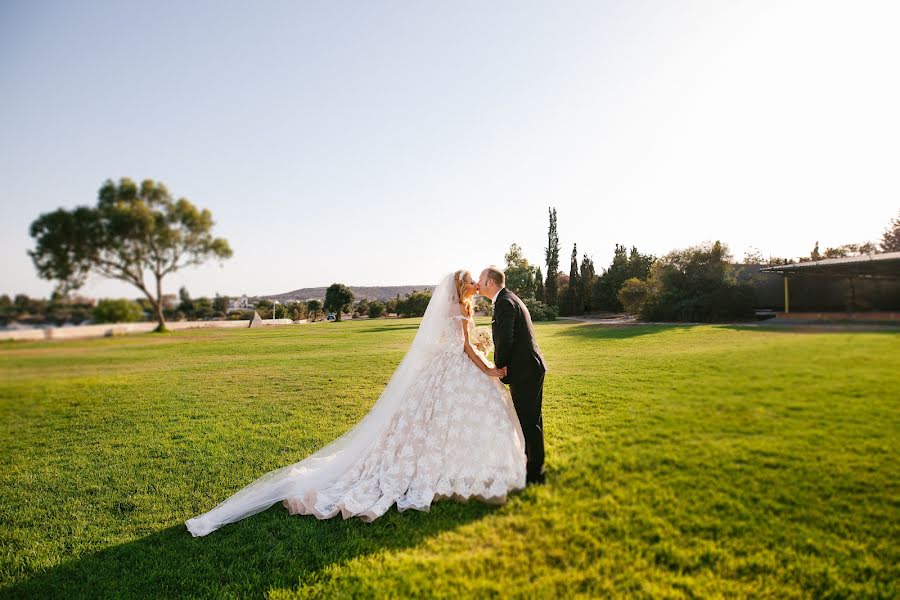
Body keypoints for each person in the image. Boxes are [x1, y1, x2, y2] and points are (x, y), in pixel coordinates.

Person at [185, 270, 526, 536]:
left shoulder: (464, 307)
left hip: (448, 367)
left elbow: (455, 343)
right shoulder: (457, 309)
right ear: (460, 287)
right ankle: (442, 472)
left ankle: (445, 469)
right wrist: (490, 370)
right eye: (471, 282)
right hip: (456, 368)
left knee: (436, 426)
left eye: (476, 282)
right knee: (439, 424)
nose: (475, 286)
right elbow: (463, 347)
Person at [477, 266, 547, 485]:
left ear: (490, 282)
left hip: (525, 370)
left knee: (529, 422)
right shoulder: (506, 299)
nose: (478, 282)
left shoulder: (505, 302)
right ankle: (534, 469)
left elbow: (506, 339)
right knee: (531, 420)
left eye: (481, 278)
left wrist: (500, 367)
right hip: (527, 368)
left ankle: (534, 475)